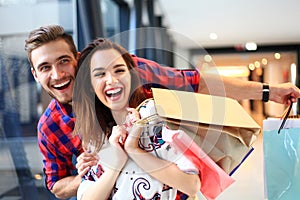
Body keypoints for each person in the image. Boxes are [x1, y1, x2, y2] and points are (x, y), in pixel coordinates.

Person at [24, 24, 300, 199]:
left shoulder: (123, 74)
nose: (58, 74)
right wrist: (89, 171)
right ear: (35, 75)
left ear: (78, 62)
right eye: (45, 67)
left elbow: (197, 83)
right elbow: (57, 186)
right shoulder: (52, 127)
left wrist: (269, 92)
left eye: (64, 61)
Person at [73, 38, 201, 199]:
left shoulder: (158, 116)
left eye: (119, 70)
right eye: (100, 74)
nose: (111, 80)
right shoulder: (96, 136)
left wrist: (134, 149)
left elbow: (192, 185)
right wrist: (117, 162)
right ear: (90, 85)